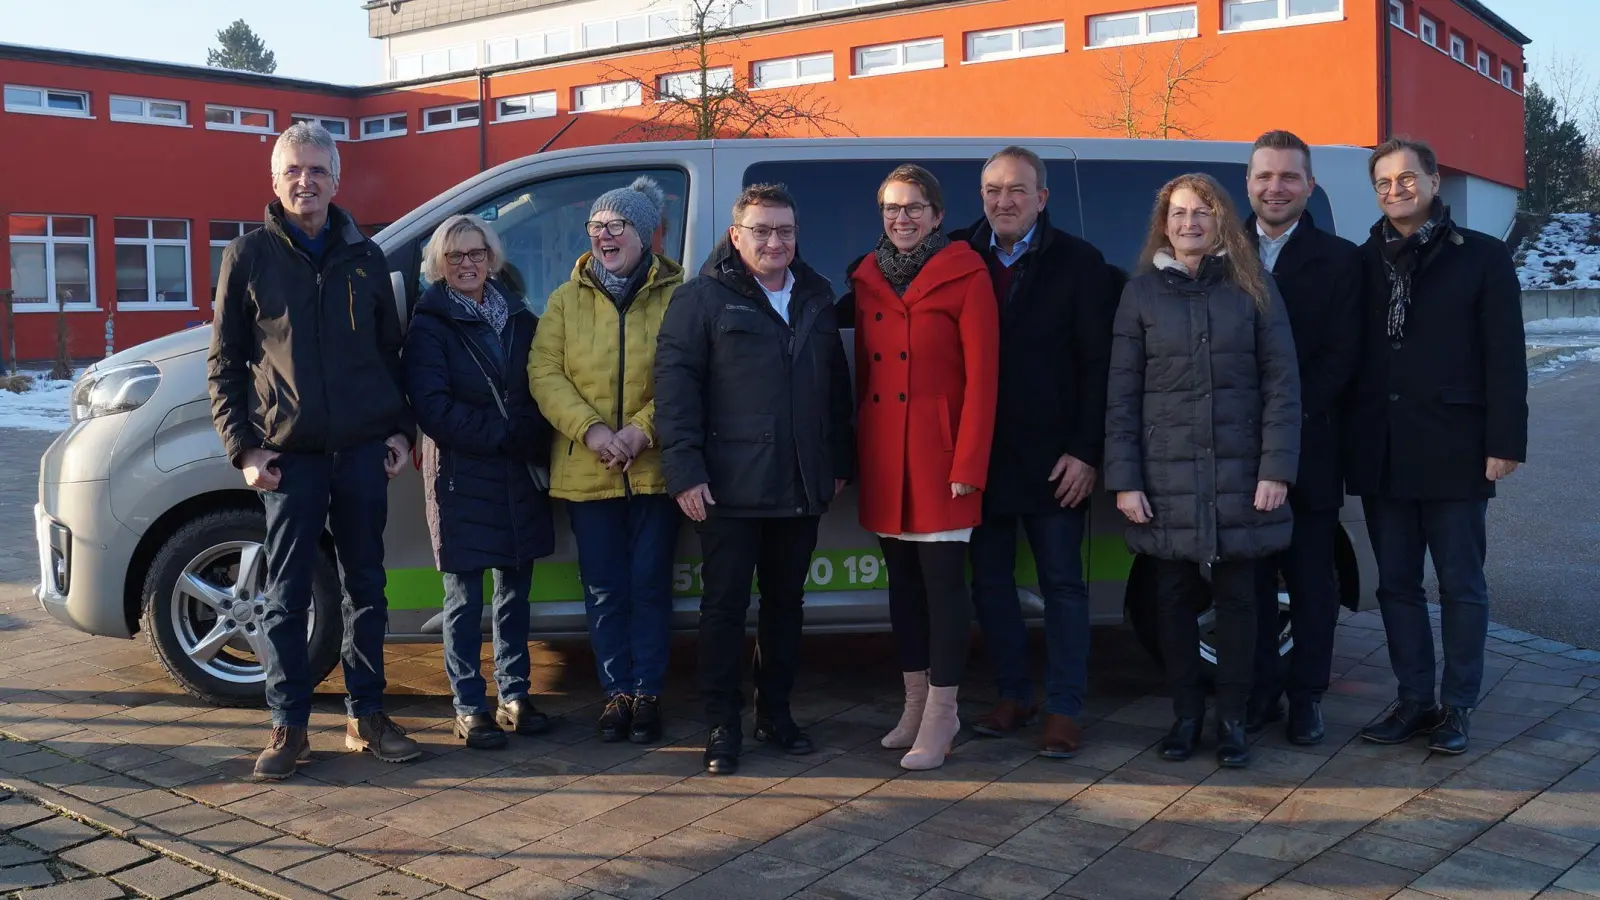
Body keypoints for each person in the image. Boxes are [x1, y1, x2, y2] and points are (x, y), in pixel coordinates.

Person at [206, 122, 420, 779]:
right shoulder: (248, 257)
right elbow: (227, 365)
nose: (306, 181)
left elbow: (392, 354)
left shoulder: (366, 256)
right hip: (288, 457)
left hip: (360, 453)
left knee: (367, 590)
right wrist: (244, 449)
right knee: (285, 597)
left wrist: (400, 432)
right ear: (275, 181)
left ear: (336, 179)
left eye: (318, 171)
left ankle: (367, 717)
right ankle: (288, 727)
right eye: (294, 170)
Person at [655, 183, 855, 775]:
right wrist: (685, 473)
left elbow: (834, 389)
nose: (775, 241)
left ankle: (777, 713)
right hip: (727, 487)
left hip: (799, 485)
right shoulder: (701, 299)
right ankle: (722, 723)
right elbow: (675, 392)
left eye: (785, 230)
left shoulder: (816, 295)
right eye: (762, 230)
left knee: (786, 607)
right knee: (722, 609)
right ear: (735, 236)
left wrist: (838, 461)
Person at [1103, 172, 1301, 769]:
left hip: (1243, 477)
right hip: (1165, 481)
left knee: (1242, 603)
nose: (1189, 222)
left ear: (1221, 222)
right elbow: (1122, 396)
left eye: (1202, 212)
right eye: (1179, 213)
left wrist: (1276, 469)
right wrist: (1126, 479)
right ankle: (1186, 716)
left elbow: (1283, 387)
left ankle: (1234, 720)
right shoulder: (1139, 295)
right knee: (1171, 603)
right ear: (1164, 224)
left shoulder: (1254, 288)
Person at [1349, 138, 1527, 756]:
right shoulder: (1360, 260)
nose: (1395, 190)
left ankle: (1458, 705)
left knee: (1460, 583)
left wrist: (1505, 441)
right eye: (1383, 182)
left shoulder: (1479, 257)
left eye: (1406, 178)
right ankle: (1414, 699)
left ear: (1432, 180)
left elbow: (1506, 357)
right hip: (1382, 451)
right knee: (1396, 584)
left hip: (1456, 446)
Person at [952, 146, 1122, 759]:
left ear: (1042, 198)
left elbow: (1099, 366)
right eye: (993, 189)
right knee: (990, 583)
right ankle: (1013, 693)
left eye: (1017, 190)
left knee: (1063, 586)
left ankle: (1064, 707)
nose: (1004, 200)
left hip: (1056, 461)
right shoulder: (956, 255)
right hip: (980, 458)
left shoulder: (1080, 263)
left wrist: (1086, 452)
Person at [849, 164, 999, 770]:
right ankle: (913, 704)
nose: (902, 218)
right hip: (888, 455)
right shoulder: (865, 278)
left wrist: (968, 462)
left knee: (943, 590)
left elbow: (984, 380)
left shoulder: (967, 275)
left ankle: (943, 713)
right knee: (903, 589)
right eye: (891, 208)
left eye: (914, 208)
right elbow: (863, 374)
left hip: (941, 460)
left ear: (938, 215)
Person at [530, 177, 685, 745]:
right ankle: (616, 693)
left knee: (648, 584)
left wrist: (640, 434)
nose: (604, 235)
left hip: (654, 470)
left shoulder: (678, 295)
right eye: (596, 226)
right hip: (588, 469)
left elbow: (683, 375)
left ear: (643, 236)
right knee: (602, 588)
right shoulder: (565, 299)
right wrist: (594, 432)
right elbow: (544, 372)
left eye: (616, 226)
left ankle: (647, 693)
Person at [404, 214, 556, 749]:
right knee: (463, 599)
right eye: (455, 256)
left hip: (515, 473)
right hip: (461, 476)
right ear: (438, 266)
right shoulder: (429, 325)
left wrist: (526, 431)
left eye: (476, 254)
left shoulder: (521, 318)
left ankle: (514, 694)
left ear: (492, 259)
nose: (466, 264)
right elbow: (433, 409)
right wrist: (505, 433)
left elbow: (543, 385)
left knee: (515, 593)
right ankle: (469, 705)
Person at [1240, 131, 1362, 746]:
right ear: (1248, 182)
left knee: (1312, 584)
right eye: (1265, 175)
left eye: (1289, 177)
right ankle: (1259, 692)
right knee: (1248, 584)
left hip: (1309, 451)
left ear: (1309, 185)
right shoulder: (1217, 251)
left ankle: (1306, 696)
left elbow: (1341, 360)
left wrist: (1280, 423)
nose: (1275, 187)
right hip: (1233, 454)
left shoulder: (1341, 261)